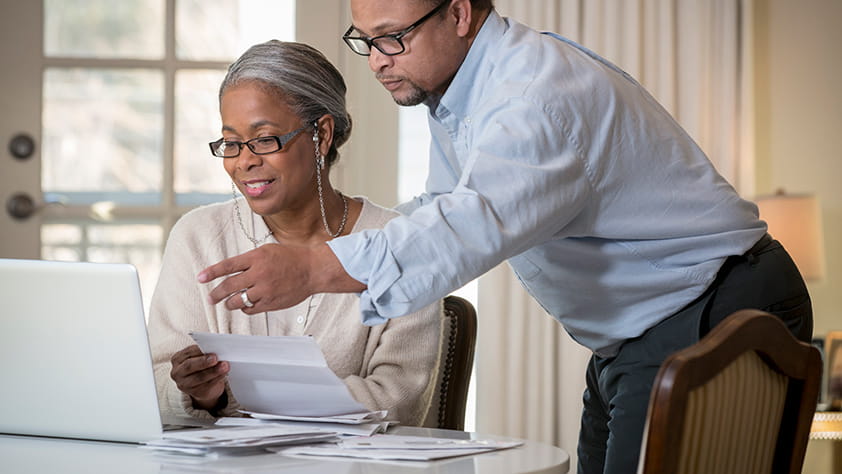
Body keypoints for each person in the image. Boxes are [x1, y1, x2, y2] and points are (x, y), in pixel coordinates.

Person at [197, 1, 813, 472]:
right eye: (365, 41)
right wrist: (323, 254)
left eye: (392, 37)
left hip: (712, 308)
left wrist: (312, 268)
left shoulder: (534, 97)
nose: (378, 60)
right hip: (642, 331)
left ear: (459, 14)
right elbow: (443, 207)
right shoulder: (465, 92)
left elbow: (468, 227)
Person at [147, 40, 445, 427]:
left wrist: (237, 397)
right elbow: (154, 383)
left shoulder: (400, 244)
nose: (244, 161)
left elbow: (399, 403)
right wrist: (199, 393)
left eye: (264, 139)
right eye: (232, 144)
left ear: (322, 134)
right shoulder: (198, 237)